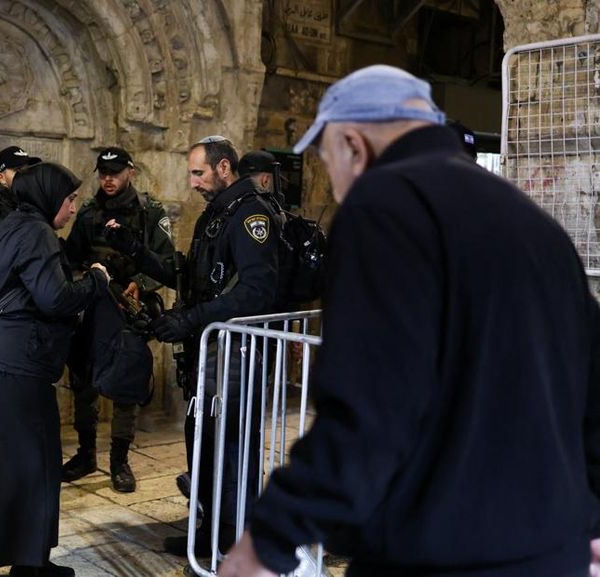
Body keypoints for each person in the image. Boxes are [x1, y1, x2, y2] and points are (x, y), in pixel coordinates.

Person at [220, 65, 600, 577]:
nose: (336, 189)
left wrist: (270, 537)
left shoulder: (384, 206)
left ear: (354, 146)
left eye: (328, 163)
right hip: (552, 553)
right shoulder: (535, 224)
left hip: (435, 555)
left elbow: (372, 407)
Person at [0, 162, 111, 577]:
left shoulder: (14, 224)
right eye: (69, 200)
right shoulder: (37, 232)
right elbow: (53, 297)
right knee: (26, 466)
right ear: (50, 198)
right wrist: (96, 282)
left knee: (3, 467)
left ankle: (0, 563)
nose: (73, 208)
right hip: (18, 368)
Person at [111, 136, 281, 558]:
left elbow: (257, 291)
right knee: (203, 441)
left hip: (236, 354)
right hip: (210, 351)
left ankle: (235, 544)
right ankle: (210, 530)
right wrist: (138, 252)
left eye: (198, 172)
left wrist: (190, 319)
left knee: (230, 448)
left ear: (224, 168)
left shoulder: (248, 217)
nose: (193, 183)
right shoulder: (217, 214)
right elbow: (190, 276)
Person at [61, 147, 175, 493]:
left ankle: (119, 460)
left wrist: (139, 285)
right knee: (84, 381)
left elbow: (166, 261)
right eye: (103, 173)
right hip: (94, 305)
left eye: (115, 172)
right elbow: (72, 256)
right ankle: (86, 453)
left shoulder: (149, 211)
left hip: (128, 307)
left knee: (125, 384)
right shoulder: (89, 211)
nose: (108, 179)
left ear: (131, 172)